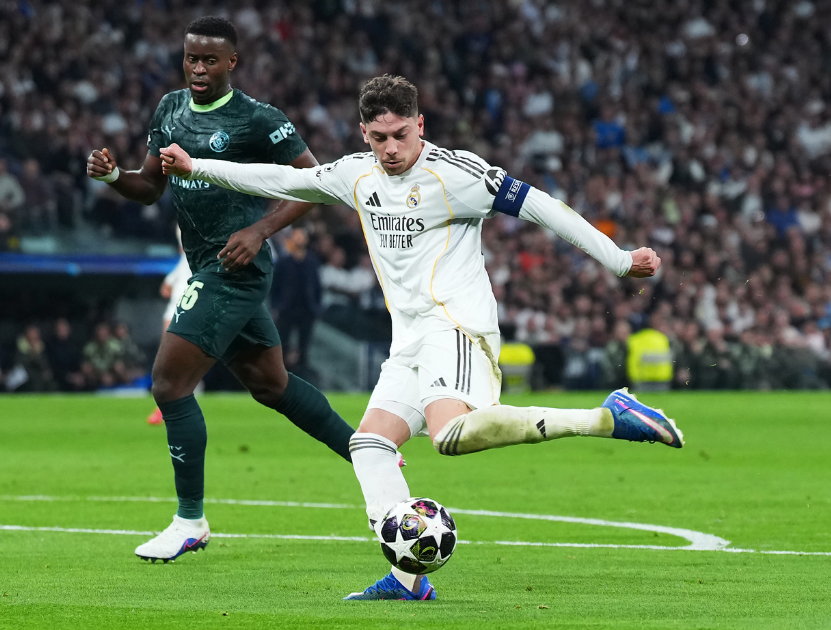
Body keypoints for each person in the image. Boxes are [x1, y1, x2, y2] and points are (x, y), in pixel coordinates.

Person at [162, 74, 684, 600]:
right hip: (408, 336)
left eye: (401, 135)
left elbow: (543, 206)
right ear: (363, 132)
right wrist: (195, 166)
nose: (391, 149)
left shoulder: (457, 175)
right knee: (368, 445)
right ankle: (408, 580)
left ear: (420, 126)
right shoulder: (355, 174)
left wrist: (618, 260)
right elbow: (280, 180)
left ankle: (606, 417)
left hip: (455, 325)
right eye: (379, 137)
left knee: (448, 436)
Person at [84, 16, 356, 562]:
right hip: (206, 261)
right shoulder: (169, 109)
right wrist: (114, 178)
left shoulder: (258, 120)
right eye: (191, 59)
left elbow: (320, 183)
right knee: (271, 384)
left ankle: (190, 520)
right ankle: (366, 449)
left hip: (236, 265)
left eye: (210, 60)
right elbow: (149, 189)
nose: (198, 69)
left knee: (168, 383)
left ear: (233, 62)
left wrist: (259, 230)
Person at [148, 227, 194, 425]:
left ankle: (173, 400)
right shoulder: (184, 261)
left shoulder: (197, 257)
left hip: (187, 310)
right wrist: (169, 282)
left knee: (177, 357)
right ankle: (167, 401)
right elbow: (169, 284)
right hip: (176, 309)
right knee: (167, 356)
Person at [271, 227, 322, 376]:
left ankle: (302, 374)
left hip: (306, 309)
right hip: (287, 309)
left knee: (304, 345)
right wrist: (276, 306)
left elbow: (317, 285)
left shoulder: (312, 261)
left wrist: (317, 306)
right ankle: (282, 375)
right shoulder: (284, 262)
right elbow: (276, 286)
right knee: (283, 344)